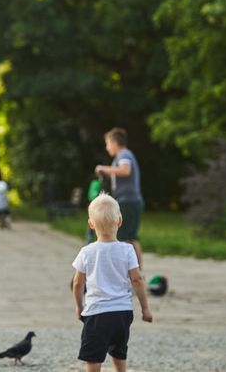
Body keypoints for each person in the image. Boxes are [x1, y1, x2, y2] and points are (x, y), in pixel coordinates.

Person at [71, 193, 152, 372]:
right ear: (120, 221)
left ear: (91, 224)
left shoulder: (87, 252)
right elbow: (137, 280)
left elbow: (77, 283)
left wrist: (79, 306)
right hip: (122, 313)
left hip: (97, 314)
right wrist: (145, 308)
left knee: (93, 358)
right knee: (119, 352)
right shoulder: (128, 250)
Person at [94, 127, 144, 269]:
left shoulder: (124, 154)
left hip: (128, 201)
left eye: (108, 144)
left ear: (114, 142)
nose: (107, 147)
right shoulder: (121, 156)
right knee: (130, 237)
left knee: (127, 237)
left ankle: (134, 271)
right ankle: (135, 271)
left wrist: (103, 169)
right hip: (129, 200)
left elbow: (125, 170)